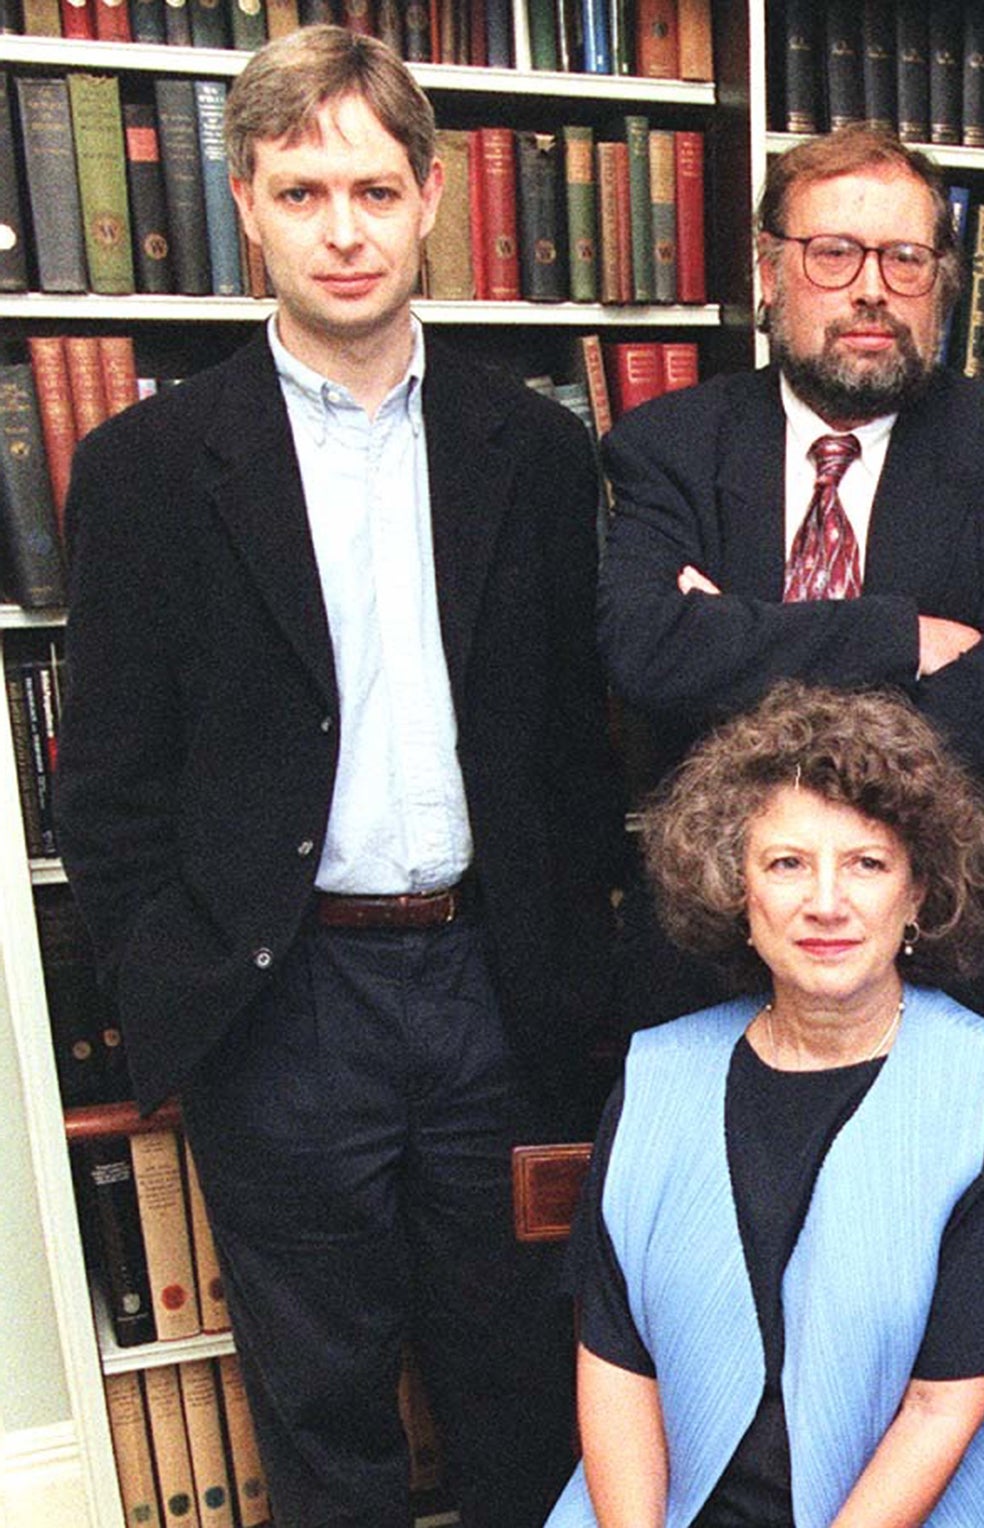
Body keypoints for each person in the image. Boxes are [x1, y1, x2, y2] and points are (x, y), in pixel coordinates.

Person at [53, 27, 626, 1527]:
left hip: (497, 990)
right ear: (243, 202)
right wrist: (176, 982)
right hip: (282, 1002)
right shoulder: (144, 470)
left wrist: (569, 966)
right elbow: (106, 792)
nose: (345, 230)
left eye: (374, 188)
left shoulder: (539, 452)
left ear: (432, 193)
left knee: (524, 1387)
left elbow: (580, 752)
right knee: (321, 1412)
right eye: (303, 192)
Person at [598, 124, 984, 1063]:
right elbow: (647, 650)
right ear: (771, 270)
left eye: (904, 258)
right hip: (705, 961)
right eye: (834, 254)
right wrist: (899, 636)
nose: (870, 287)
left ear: (941, 280)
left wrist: (740, 635)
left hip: (954, 957)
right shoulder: (667, 446)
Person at [545, 680, 984, 1528]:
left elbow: (941, 1409)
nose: (825, 903)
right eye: (787, 863)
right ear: (737, 890)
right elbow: (618, 1365)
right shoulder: (658, 1077)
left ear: (916, 894)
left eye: (866, 864)